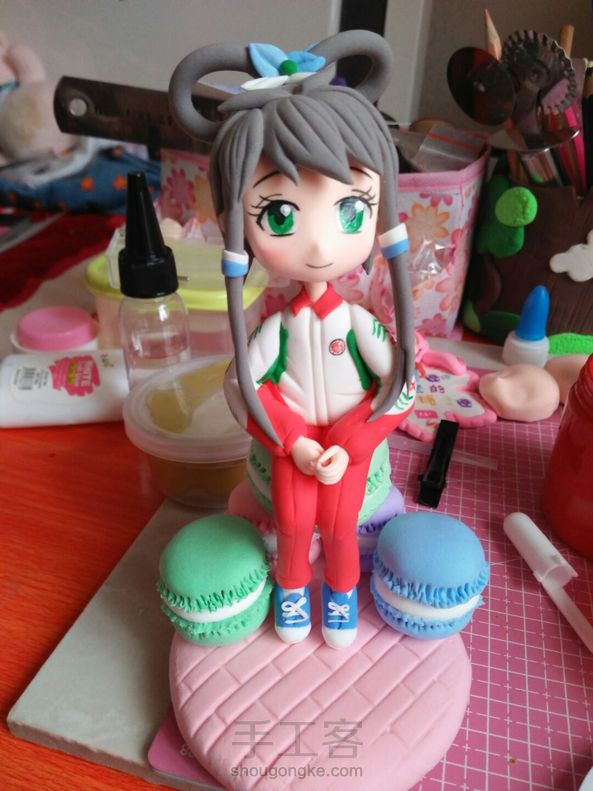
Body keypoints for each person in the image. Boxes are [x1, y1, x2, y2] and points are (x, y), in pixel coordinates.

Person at [170, 31, 416, 649]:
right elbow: (243, 386)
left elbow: (402, 384)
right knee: (292, 522)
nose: (321, 245)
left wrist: (353, 440)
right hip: (292, 448)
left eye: (351, 211)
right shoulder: (275, 330)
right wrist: (296, 443)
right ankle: (292, 588)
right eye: (279, 215)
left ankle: (341, 593)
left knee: (339, 525)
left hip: (352, 450)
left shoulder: (360, 325)